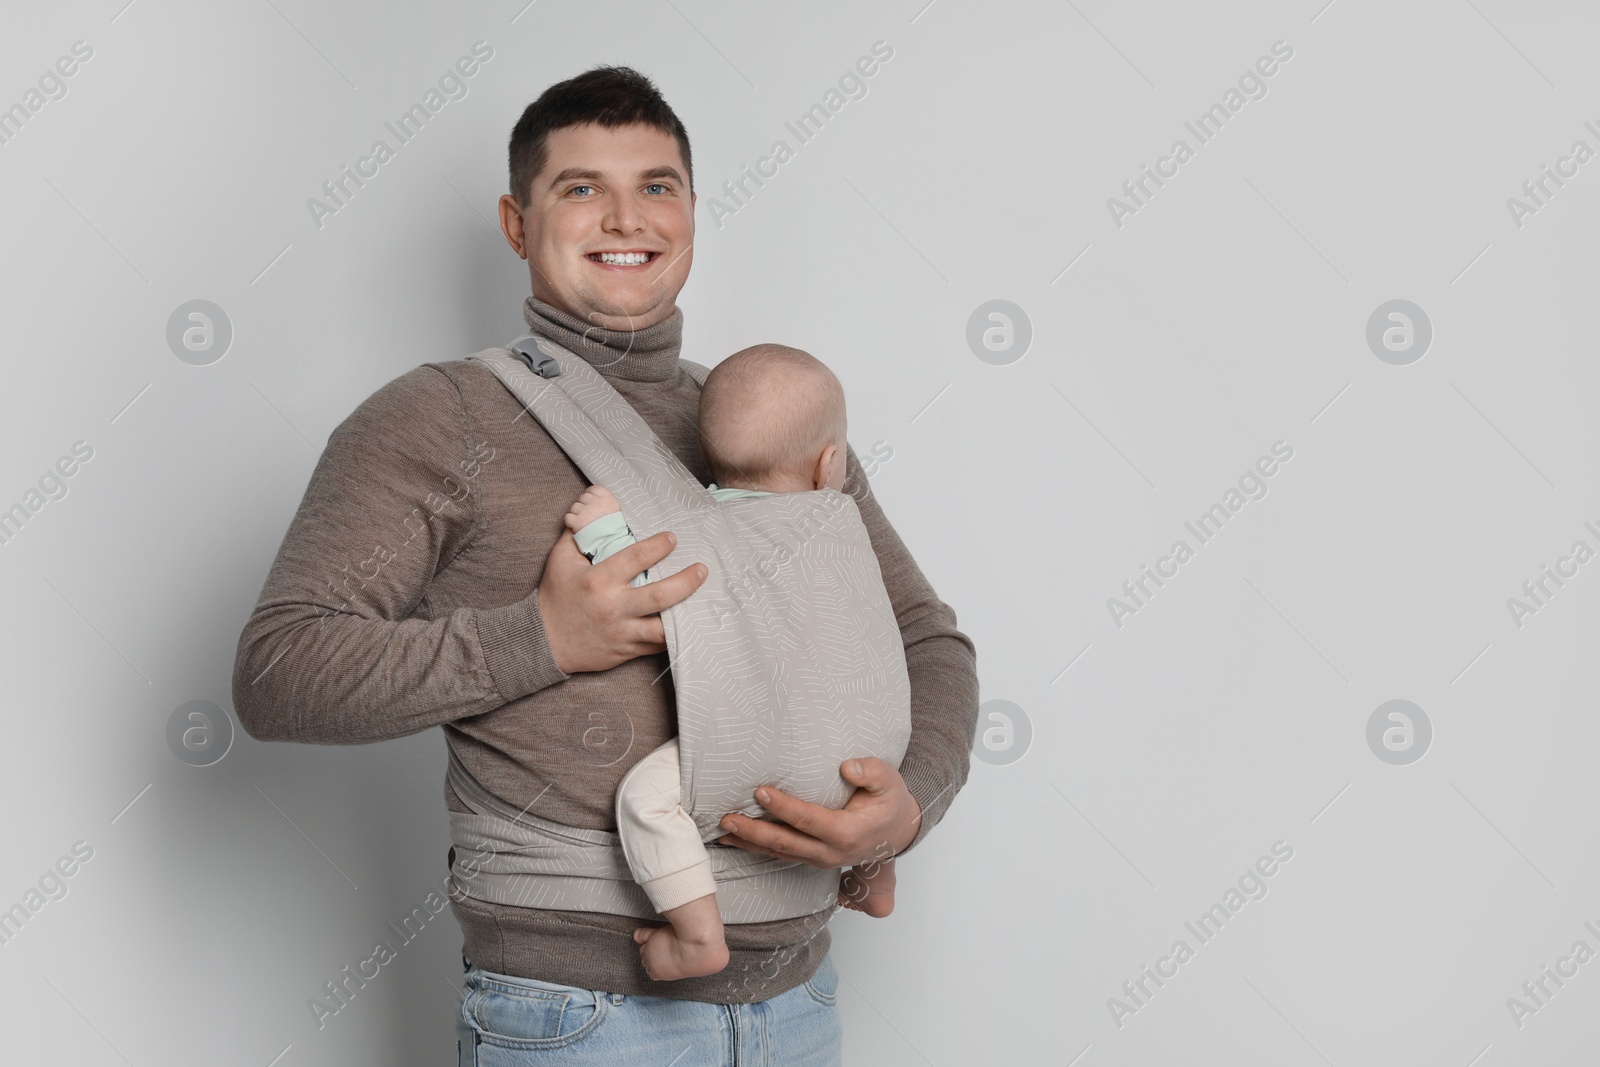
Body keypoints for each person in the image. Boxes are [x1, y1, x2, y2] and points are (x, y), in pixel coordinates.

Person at [231, 64, 978, 1065]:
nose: (626, 215)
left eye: (656, 185)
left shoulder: (775, 413)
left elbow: (925, 637)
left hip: (800, 1001)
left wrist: (909, 804)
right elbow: (281, 673)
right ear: (515, 219)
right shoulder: (437, 418)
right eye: (580, 187)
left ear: (694, 212)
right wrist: (540, 639)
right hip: (577, 1017)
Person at [565, 343, 901, 982]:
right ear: (831, 463)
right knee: (872, 764)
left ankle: (696, 937)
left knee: (645, 800)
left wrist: (604, 529)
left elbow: (658, 590)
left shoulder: (705, 530)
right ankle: (876, 876)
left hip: (760, 753)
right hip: (869, 755)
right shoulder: (846, 523)